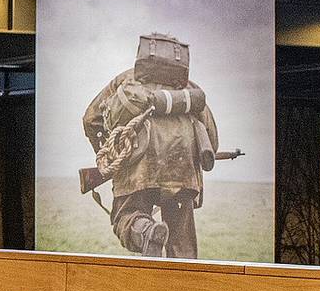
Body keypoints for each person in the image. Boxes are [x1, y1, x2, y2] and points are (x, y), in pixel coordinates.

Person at [82, 33, 219, 258]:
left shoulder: (125, 81)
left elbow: (90, 119)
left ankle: (146, 231)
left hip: (138, 171)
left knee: (125, 217)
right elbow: (212, 142)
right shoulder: (190, 91)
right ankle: (185, 283)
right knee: (182, 241)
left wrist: (110, 156)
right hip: (182, 175)